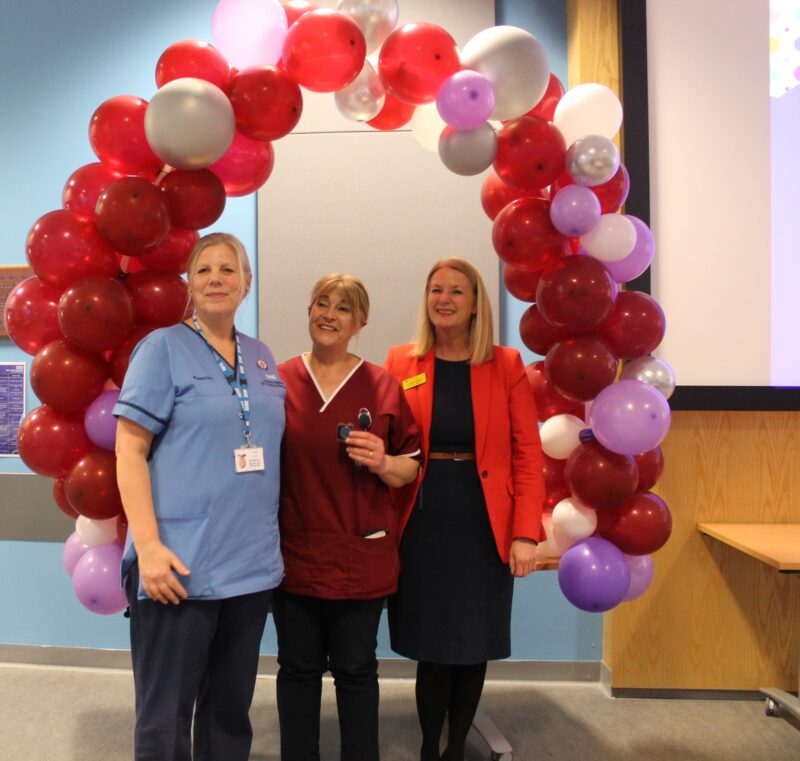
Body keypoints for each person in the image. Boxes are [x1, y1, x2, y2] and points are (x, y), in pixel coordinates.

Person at [114, 232, 285, 761]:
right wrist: (150, 548)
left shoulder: (261, 357)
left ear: (246, 283)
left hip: (250, 567)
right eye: (204, 270)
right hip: (178, 566)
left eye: (228, 270)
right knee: (166, 718)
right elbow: (129, 452)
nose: (216, 279)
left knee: (230, 714)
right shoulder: (161, 349)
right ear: (189, 282)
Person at [384, 258, 546, 761]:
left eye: (457, 290)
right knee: (432, 645)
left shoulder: (505, 364)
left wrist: (526, 533)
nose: (445, 299)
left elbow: (527, 454)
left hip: (484, 522)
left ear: (476, 303)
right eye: (436, 290)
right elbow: (387, 443)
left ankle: (457, 748)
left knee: (473, 641)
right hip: (422, 519)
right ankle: (430, 745)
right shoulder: (400, 361)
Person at [275, 273, 421, 761]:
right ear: (309, 310)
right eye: (322, 303)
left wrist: (381, 461)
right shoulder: (277, 380)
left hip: (361, 554)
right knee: (297, 670)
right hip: (295, 554)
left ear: (360, 321)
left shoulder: (382, 386)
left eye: (342, 308)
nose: (329, 314)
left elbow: (409, 469)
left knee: (357, 670)